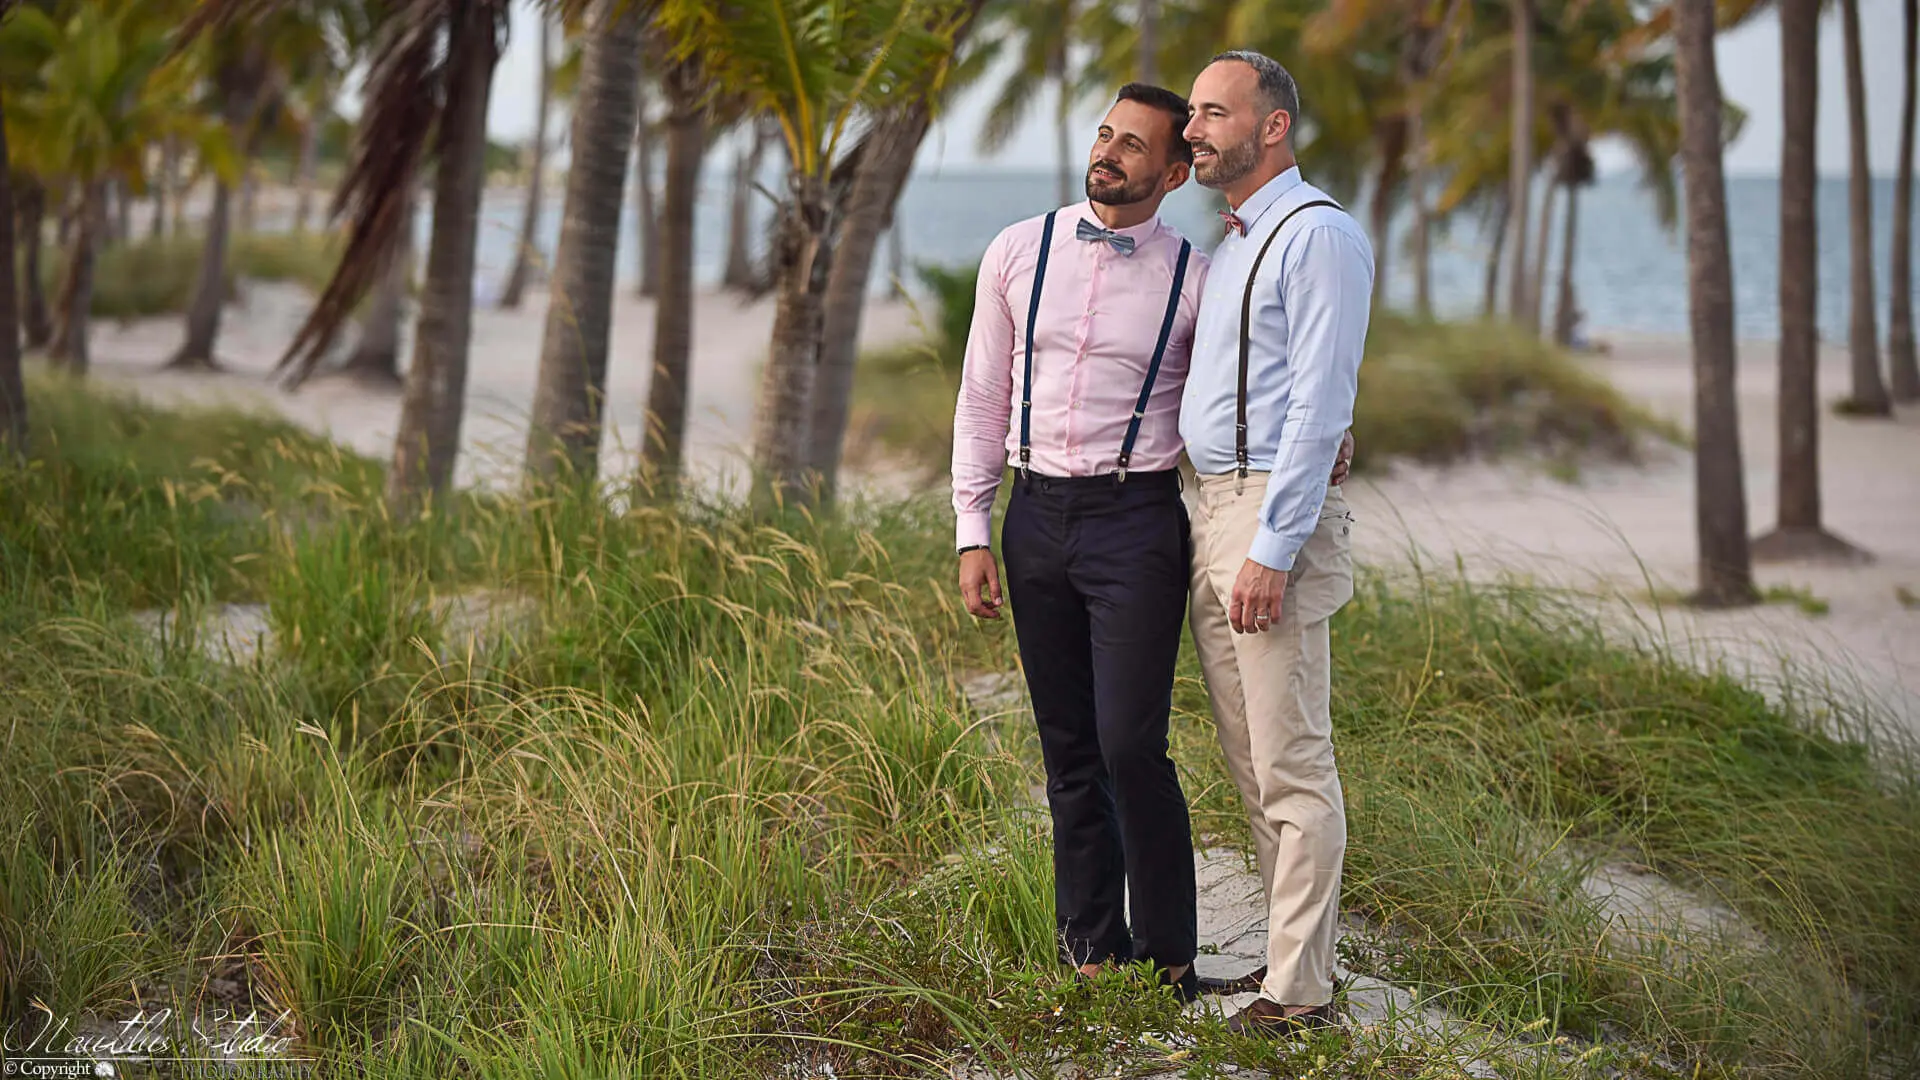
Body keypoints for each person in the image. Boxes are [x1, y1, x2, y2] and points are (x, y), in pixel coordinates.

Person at [950, 82, 1355, 1001]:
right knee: (1067, 752)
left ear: (1174, 172)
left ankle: (1171, 951)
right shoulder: (1019, 250)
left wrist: (1336, 430)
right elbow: (979, 396)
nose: (1111, 153)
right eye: (1105, 134)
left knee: (1131, 742)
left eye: (1136, 145)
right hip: (1032, 515)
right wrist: (973, 528)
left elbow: (1266, 368)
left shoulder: (1200, 274)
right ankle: (1090, 949)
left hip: (1136, 523)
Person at [1178, 50, 1375, 1037]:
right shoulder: (1238, 240)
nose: (1194, 129)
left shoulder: (1317, 234)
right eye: (1194, 114)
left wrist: (1275, 544)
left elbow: (1320, 399)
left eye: (1216, 112)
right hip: (1211, 504)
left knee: (1292, 764)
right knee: (1253, 764)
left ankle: (1301, 996)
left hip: (1264, 517)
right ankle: (1288, 965)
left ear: (1273, 127)